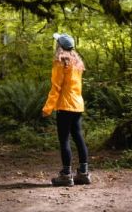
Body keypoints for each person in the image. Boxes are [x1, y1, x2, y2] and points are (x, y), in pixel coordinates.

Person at [42, 32, 91, 186]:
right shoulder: (77, 63)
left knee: (64, 140)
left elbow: (56, 87)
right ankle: (83, 173)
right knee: (78, 137)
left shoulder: (60, 63)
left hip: (65, 105)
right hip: (77, 105)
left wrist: (47, 108)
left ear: (60, 46)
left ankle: (66, 175)